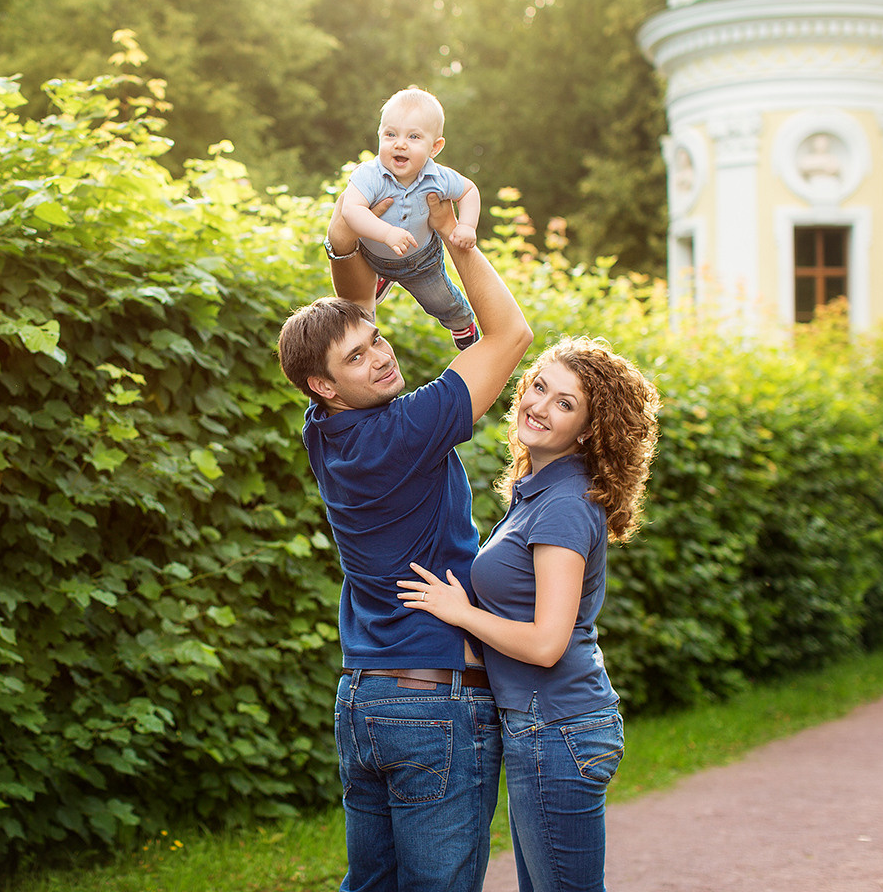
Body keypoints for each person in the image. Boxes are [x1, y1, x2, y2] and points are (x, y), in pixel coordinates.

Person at [278, 191, 532, 892]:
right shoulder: (403, 431)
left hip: (364, 703)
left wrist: (348, 235)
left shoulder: (324, 430)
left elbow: (351, 308)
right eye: (357, 359)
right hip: (433, 705)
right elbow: (509, 336)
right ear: (323, 384)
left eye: (377, 341)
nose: (380, 357)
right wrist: (458, 246)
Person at [398, 336, 661, 892]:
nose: (539, 406)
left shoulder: (564, 505)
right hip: (547, 726)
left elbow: (547, 643)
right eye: (539, 387)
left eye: (566, 403)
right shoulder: (541, 493)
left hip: (558, 727)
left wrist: (461, 612)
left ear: (589, 430)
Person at [337, 86, 483, 349]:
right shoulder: (368, 175)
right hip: (372, 256)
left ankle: (463, 323)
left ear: (435, 147)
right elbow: (351, 210)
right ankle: (383, 279)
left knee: (442, 302)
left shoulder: (438, 178)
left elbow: (469, 190)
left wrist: (467, 226)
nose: (400, 143)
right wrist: (386, 233)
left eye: (414, 137)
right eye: (391, 134)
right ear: (379, 134)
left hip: (420, 262)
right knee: (357, 308)